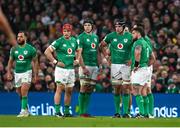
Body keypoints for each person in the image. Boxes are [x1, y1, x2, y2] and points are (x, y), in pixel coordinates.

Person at [44, 23, 81, 117]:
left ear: (71, 32)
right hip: (61, 69)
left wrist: (77, 60)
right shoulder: (59, 41)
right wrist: (55, 62)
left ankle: (67, 112)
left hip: (71, 70)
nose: (66, 33)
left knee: (69, 91)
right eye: (64, 31)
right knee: (59, 89)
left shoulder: (74, 41)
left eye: (68, 31)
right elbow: (47, 51)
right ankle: (57, 111)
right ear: (62, 32)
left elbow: (79, 50)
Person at [100, 19, 133, 118]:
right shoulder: (111, 36)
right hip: (115, 65)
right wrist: (107, 57)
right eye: (116, 26)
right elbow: (101, 45)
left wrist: (132, 60)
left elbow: (136, 48)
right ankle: (117, 112)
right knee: (117, 88)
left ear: (123, 27)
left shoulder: (130, 36)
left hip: (126, 65)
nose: (117, 28)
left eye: (119, 26)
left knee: (126, 88)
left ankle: (126, 113)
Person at [7, 31, 38, 117]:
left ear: (25, 38)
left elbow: (36, 62)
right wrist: (9, 72)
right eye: (18, 37)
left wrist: (36, 75)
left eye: (21, 37)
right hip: (17, 73)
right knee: (19, 92)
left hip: (27, 71)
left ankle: (23, 111)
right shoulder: (14, 49)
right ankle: (26, 110)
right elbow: (10, 61)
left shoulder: (31, 49)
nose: (19, 38)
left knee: (24, 90)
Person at [77, 18, 101, 117]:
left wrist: (99, 65)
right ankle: (81, 112)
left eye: (89, 25)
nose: (87, 27)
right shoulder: (81, 37)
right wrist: (83, 67)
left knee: (90, 89)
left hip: (94, 66)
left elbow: (98, 52)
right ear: (83, 27)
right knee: (83, 87)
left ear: (92, 26)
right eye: (85, 25)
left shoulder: (96, 37)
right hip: (85, 65)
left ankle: (85, 111)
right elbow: (79, 53)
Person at [131, 26, 150, 118]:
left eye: (133, 33)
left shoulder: (138, 42)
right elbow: (151, 55)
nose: (132, 35)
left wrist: (136, 65)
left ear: (138, 33)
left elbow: (137, 53)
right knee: (143, 91)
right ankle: (146, 113)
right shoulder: (145, 43)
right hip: (146, 68)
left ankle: (142, 113)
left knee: (135, 90)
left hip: (140, 69)